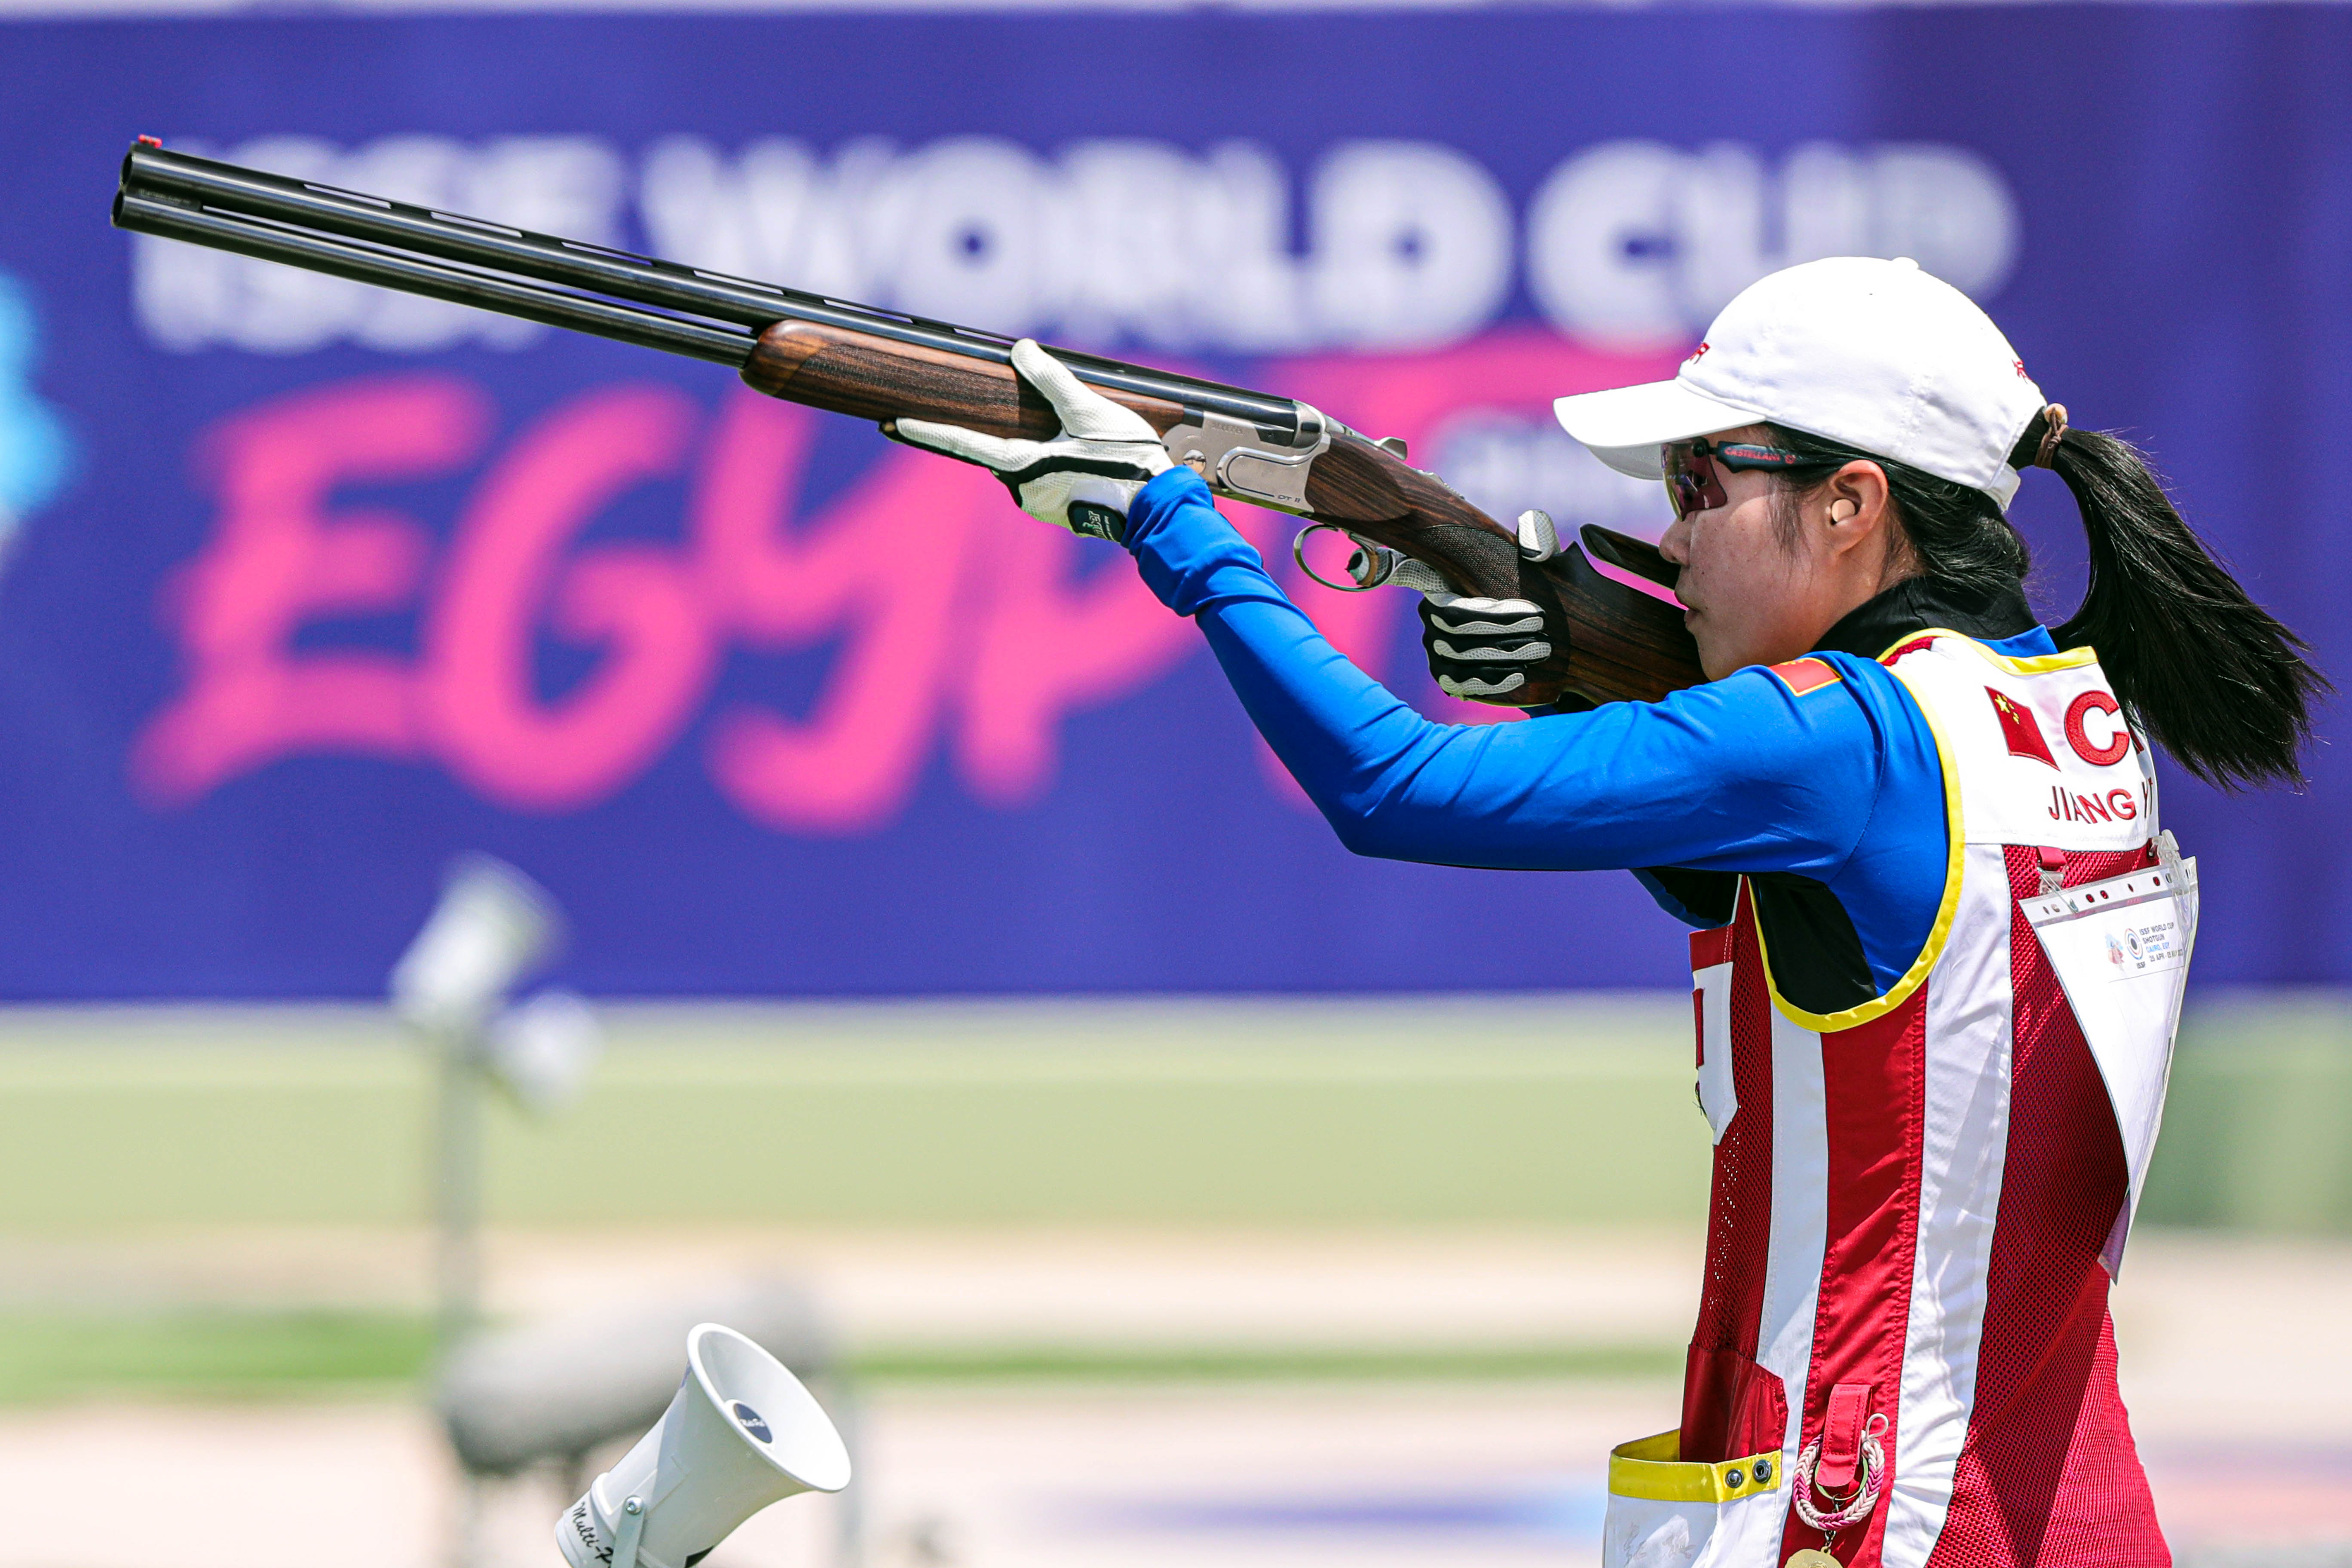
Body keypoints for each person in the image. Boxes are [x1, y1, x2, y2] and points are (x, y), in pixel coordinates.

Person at [895, 257, 2324, 1568]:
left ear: (1851, 506)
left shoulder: (1837, 736)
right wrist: (1579, 676)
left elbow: (1393, 786)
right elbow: (1865, 950)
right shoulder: (2076, 715)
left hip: (1853, 1518)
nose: (1672, 529)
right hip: (2068, 1515)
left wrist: (1173, 525)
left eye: (1705, 483)